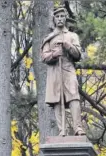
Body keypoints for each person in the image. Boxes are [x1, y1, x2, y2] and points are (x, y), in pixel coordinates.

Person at [41, 7, 85, 136]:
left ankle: (78, 128)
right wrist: (55, 54)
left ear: (65, 19)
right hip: (54, 71)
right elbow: (44, 57)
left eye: (62, 16)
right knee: (56, 99)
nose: (60, 19)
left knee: (73, 96)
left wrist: (67, 46)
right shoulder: (49, 38)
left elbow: (78, 55)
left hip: (68, 68)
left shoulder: (72, 36)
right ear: (54, 19)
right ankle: (62, 130)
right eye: (57, 16)